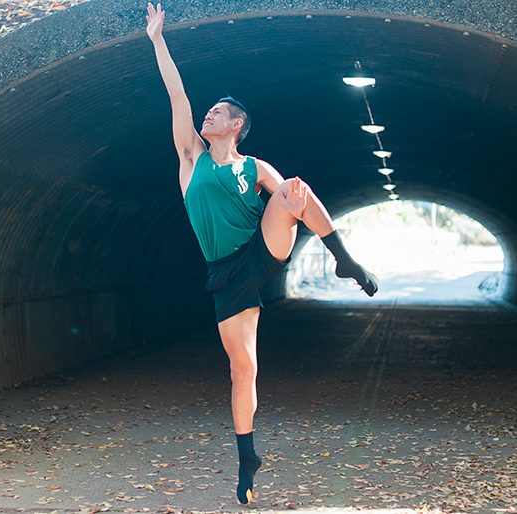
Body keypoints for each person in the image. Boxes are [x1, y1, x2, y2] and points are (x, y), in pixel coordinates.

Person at [145, 2, 378, 505]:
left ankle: (343, 257)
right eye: (207, 113)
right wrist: (158, 40)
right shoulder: (191, 157)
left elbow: (289, 198)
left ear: (237, 124)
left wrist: (293, 206)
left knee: (293, 189)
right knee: (242, 369)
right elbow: (176, 94)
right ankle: (247, 456)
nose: (207, 115)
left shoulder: (254, 166)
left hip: (261, 251)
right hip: (225, 275)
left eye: (218, 113)